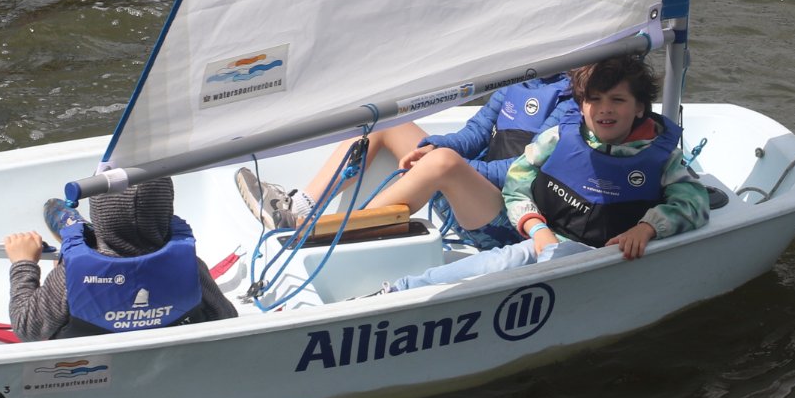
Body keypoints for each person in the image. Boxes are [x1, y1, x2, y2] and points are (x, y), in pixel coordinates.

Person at [378, 53, 711, 293]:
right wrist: (536, 228)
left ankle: (399, 287)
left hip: (597, 255)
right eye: (594, 99)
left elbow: (693, 201)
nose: (605, 109)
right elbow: (517, 182)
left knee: (509, 262)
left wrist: (647, 228)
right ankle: (399, 290)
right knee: (497, 263)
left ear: (639, 107)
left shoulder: (660, 156)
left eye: (618, 100)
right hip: (544, 238)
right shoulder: (559, 138)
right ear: (582, 105)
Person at [235, 71, 580, 250]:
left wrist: (444, 162)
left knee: (444, 163)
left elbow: (521, 170)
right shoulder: (522, 80)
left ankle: (316, 235)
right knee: (387, 122)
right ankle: (300, 209)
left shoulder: (574, 101)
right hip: (468, 197)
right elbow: (473, 134)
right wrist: (431, 146)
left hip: (513, 221)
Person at [3, 177, 235, 340]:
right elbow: (226, 317)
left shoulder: (69, 276)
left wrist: (24, 264)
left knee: (68, 247)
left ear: (98, 213)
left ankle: (78, 231)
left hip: (93, 363)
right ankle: (81, 232)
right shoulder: (190, 266)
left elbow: (26, 329)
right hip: (164, 357)